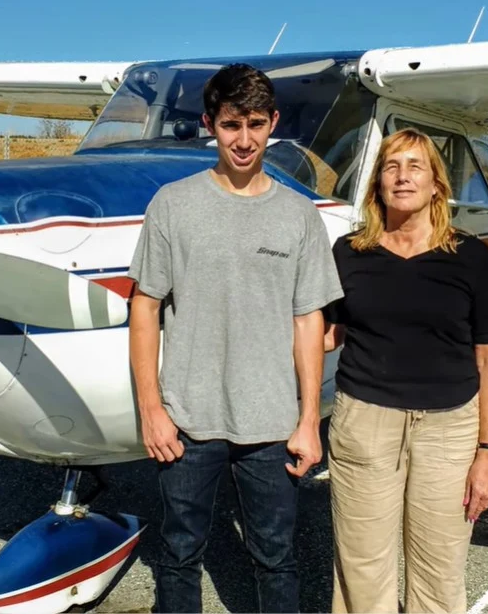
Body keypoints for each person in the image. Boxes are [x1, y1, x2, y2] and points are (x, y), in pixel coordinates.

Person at [127, 63, 343, 613]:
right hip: (187, 417)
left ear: (273, 123)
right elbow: (145, 308)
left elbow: (307, 321)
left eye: (254, 124)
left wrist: (308, 420)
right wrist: (151, 409)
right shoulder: (173, 205)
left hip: (270, 422)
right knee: (178, 554)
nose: (243, 140)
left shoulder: (299, 216)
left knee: (276, 557)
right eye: (230, 125)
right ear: (209, 125)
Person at [322, 128, 488, 613]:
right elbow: (322, 334)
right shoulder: (348, 253)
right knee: (361, 564)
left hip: (449, 429)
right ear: (377, 184)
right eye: (391, 166)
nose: (402, 176)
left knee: (440, 567)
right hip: (364, 421)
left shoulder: (470, 257)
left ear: (436, 185)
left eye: (415, 166)